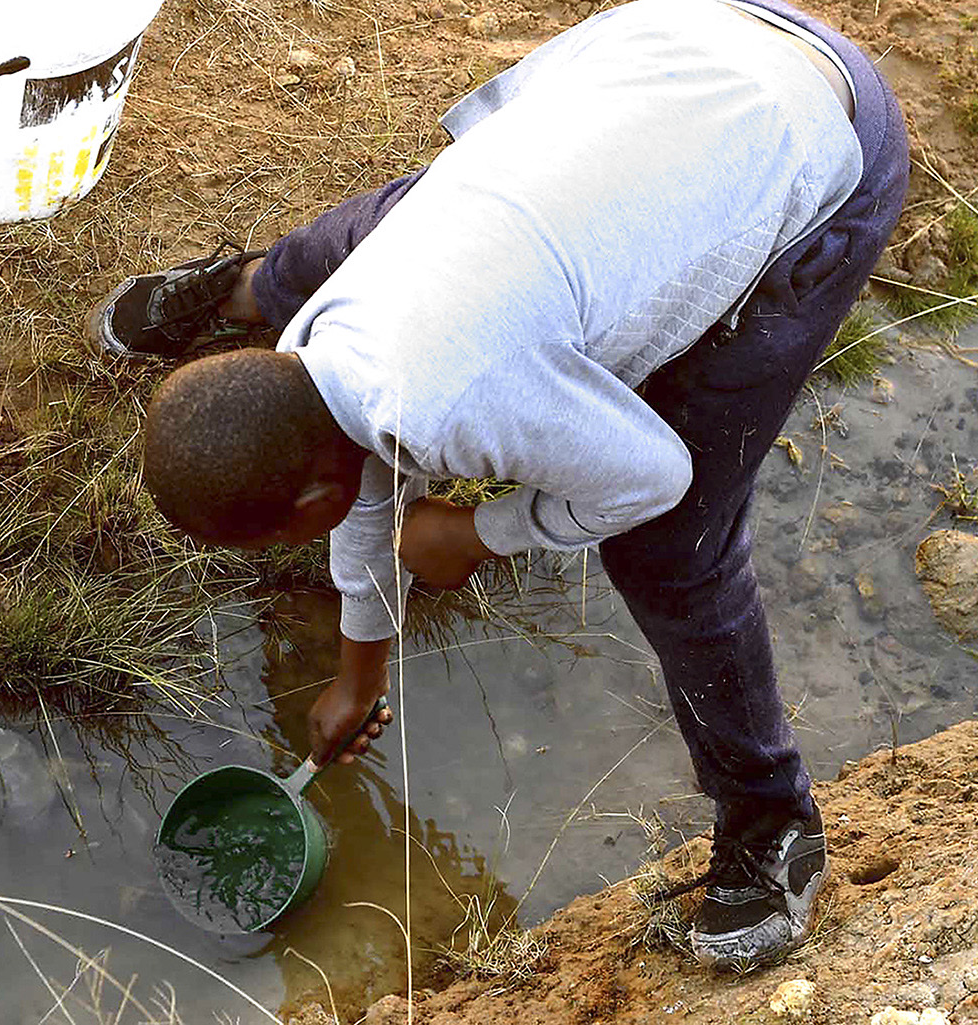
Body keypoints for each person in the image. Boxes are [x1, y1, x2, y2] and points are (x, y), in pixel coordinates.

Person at [91, 0, 906, 969]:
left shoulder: (461, 403)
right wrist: (358, 677)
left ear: (308, 503)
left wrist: (481, 533)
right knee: (379, 227)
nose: (303, 541)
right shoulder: (322, 340)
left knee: (671, 547)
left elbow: (654, 476)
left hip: (820, 133)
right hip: (687, 46)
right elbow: (360, 487)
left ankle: (774, 824)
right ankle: (243, 286)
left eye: (281, 538)